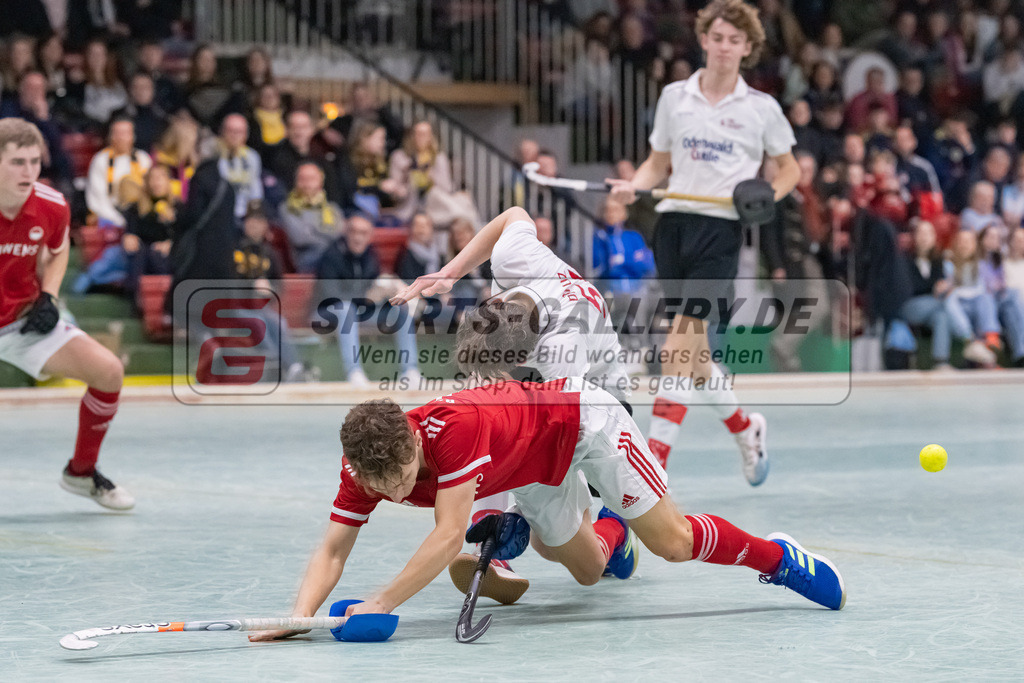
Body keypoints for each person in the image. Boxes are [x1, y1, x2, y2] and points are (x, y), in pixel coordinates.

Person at [248, 377, 845, 641]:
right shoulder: (362, 468)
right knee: (588, 570)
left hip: (582, 423)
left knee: (674, 544)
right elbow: (333, 546)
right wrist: (300, 617)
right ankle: (615, 530)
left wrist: (380, 603)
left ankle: (777, 556)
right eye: (390, 487)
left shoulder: (449, 432)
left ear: (411, 439)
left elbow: (447, 534)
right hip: (527, 466)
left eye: (408, 474)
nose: (402, 490)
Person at [391, 206, 634, 605]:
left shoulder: (561, 353)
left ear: (523, 357)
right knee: (489, 407)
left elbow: (549, 444)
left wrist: (519, 514)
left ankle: (617, 533)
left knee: (552, 546)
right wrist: (451, 271)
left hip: (600, 406)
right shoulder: (514, 259)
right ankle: (489, 522)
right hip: (550, 385)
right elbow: (513, 214)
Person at [605, 0, 800, 485]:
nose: (724, 47)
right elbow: (657, 162)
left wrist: (764, 197)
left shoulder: (762, 109)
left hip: (721, 229)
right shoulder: (675, 96)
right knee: (693, 356)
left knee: (678, 347)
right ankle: (745, 428)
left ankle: (653, 468)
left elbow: (790, 169)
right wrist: (636, 184)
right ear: (704, 40)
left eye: (735, 40)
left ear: (748, 48)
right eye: (717, 37)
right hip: (673, 225)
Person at [0, 118, 133, 509]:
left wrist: (50, 295)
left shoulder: (51, 205)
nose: (28, 172)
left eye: (34, 162)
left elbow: (57, 251)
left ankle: (80, 472)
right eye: (16, 163)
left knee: (109, 372)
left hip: (24, 320)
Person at [278, 161, 344, 273]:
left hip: (332, 257)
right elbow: (300, 238)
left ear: (321, 181)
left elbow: (339, 235)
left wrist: (312, 229)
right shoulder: (287, 208)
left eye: (311, 178)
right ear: (296, 182)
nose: (307, 183)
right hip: (305, 259)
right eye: (302, 179)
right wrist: (327, 234)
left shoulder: (333, 209)